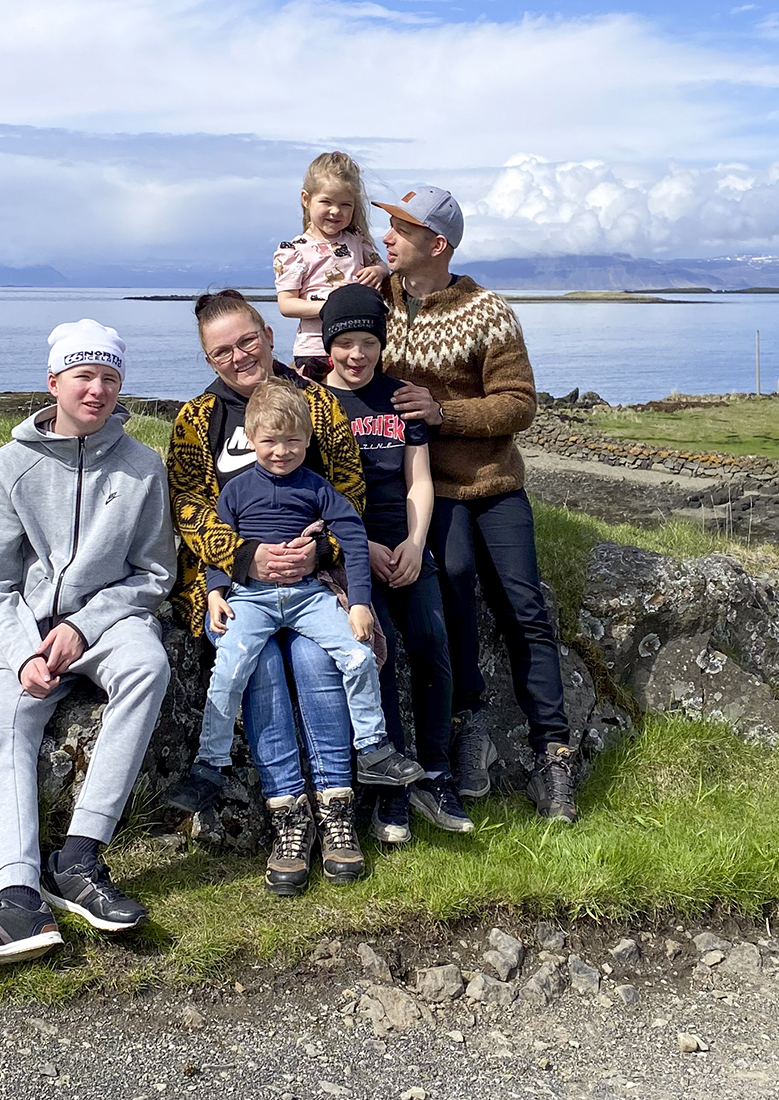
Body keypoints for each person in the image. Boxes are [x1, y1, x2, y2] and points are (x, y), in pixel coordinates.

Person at [0, 319, 175, 973]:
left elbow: (152, 575)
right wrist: (24, 650)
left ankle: (80, 861)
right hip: (29, 625)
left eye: (110, 378)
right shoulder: (10, 465)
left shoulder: (144, 466)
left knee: (148, 663)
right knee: (4, 716)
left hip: (109, 623)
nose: (97, 390)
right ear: (55, 382)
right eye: (84, 376)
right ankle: (17, 898)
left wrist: (85, 626)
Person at [373, 186, 579, 824]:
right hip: (425, 491)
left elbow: (519, 402)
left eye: (400, 230)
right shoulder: (377, 301)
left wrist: (445, 413)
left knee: (526, 609)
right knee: (455, 594)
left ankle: (554, 757)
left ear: (436, 245)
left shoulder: (489, 312)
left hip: (492, 484)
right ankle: (470, 726)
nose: (387, 238)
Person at [165, 290, 377, 896]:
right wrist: (247, 558)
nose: (238, 356)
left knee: (315, 659)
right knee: (254, 666)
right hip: (234, 586)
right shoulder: (195, 421)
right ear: (209, 360)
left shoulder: (315, 404)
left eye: (247, 341)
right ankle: (289, 815)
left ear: (268, 333)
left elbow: (349, 495)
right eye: (221, 351)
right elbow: (188, 506)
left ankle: (336, 811)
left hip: (313, 583)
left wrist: (320, 553)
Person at [187, 379, 424, 878]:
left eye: (293, 441)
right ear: (250, 438)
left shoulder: (318, 487)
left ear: (308, 439)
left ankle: (373, 749)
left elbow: (355, 540)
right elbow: (217, 547)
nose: (281, 451)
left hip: (308, 596)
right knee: (232, 668)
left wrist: (359, 604)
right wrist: (213, 592)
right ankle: (209, 765)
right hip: (249, 598)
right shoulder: (234, 491)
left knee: (358, 655)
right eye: (270, 441)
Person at [319, 284, 474, 841]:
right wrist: (362, 546)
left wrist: (414, 543)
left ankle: (434, 772)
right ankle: (392, 787)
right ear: (327, 344)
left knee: (433, 647)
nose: (356, 355)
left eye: (367, 342)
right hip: (353, 552)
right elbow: (318, 491)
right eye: (345, 343)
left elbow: (420, 479)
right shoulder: (315, 406)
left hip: (407, 545)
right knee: (376, 653)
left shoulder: (402, 399)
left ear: (381, 344)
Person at [275, 151, 389, 382]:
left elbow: (382, 265)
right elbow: (286, 304)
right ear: (306, 199)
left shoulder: (357, 240)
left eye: (345, 204)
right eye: (326, 202)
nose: (335, 211)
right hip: (315, 349)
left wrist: (378, 270)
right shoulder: (294, 250)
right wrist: (333, 308)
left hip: (357, 347)